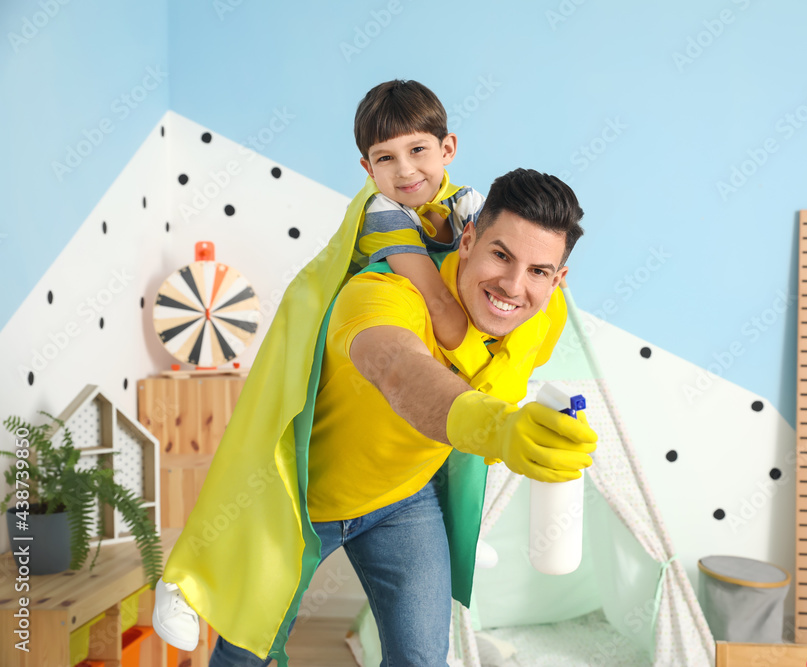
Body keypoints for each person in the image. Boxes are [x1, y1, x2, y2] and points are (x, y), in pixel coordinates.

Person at [154, 168, 597, 666]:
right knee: (247, 650)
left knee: (422, 661)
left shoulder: (545, 316)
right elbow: (401, 372)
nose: (514, 286)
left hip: (404, 498)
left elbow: (499, 370)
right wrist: (498, 428)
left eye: (539, 271)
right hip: (301, 503)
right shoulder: (383, 293)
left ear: (557, 280)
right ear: (468, 240)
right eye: (501, 254)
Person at [350, 78, 487, 357]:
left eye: (417, 150)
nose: (405, 170)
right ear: (370, 169)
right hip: (380, 332)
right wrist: (490, 375)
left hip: (451, 333)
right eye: (385, 158)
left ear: (446, 149)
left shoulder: (466, 202)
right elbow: (438, 305)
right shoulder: (382, 209)